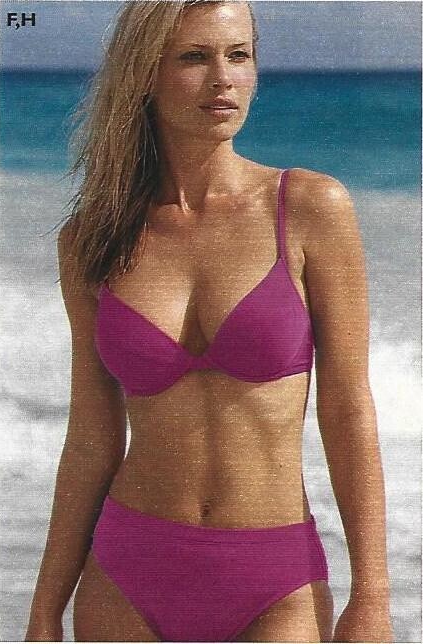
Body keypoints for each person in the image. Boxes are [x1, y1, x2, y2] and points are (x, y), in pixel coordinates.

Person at [25, 0, 393, 641]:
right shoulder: (93, 238)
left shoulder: (310, 207)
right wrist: (43, 613)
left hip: (275, 575)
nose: (223, 79)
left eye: (238, 55)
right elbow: (91, 437)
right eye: (195, 57)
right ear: (145, 73)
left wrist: (372, 595)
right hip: (126, 571)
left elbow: (348, 410)